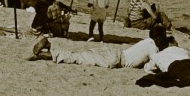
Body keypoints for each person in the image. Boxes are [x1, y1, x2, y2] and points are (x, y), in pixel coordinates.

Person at [29, 32, 159, 68]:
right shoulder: (153, 48)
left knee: (79, 55)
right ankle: (50, 49)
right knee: (78, 58)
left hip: (115, 52)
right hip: (115, 60)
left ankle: (48, 51)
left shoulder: (146, 41)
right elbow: (153, 65)